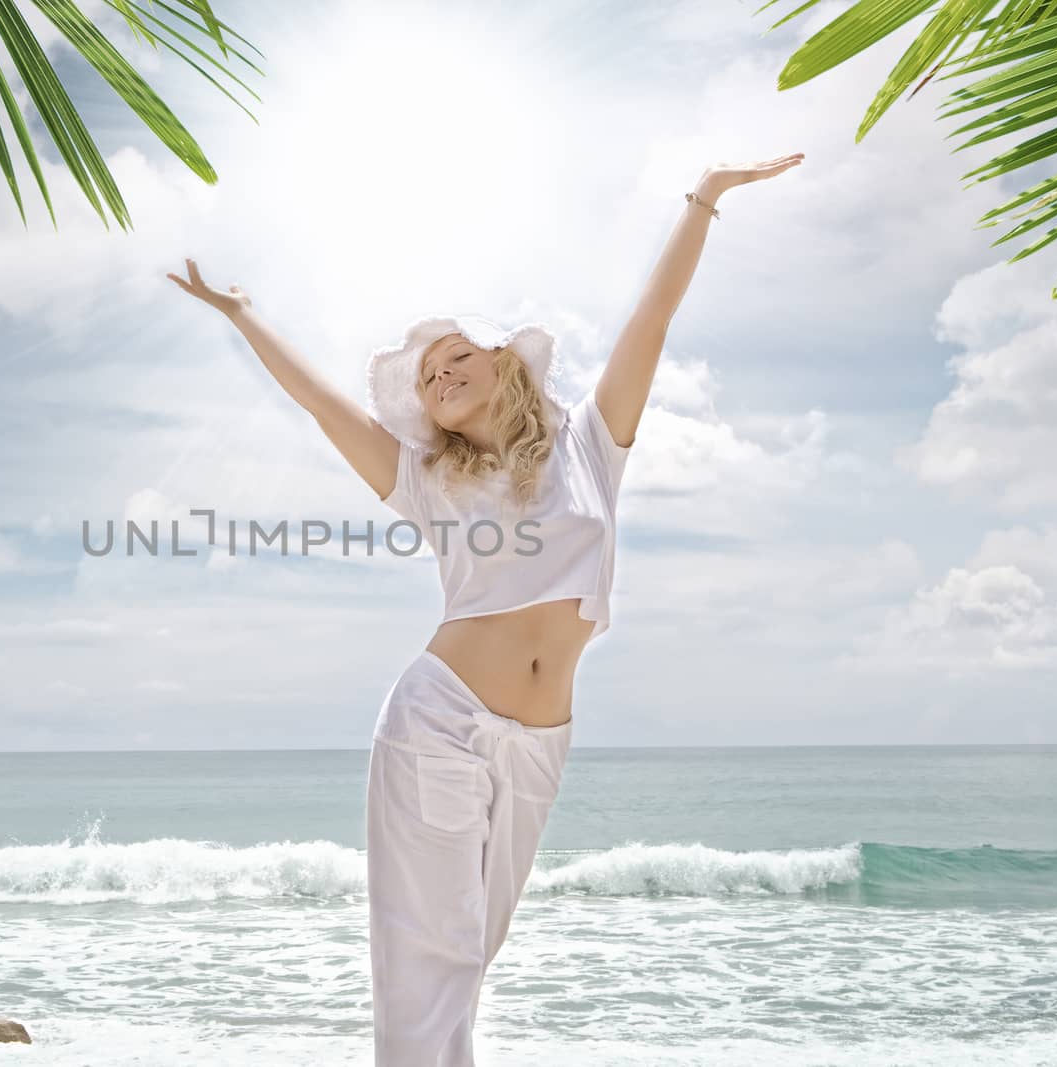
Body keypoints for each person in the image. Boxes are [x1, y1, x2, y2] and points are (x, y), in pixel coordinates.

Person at [168, 155, 803, 1065]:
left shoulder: (591, 444)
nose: (438, 376)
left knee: (469, 958)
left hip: (541, 740)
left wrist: (704, 199)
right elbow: (319, 403)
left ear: (503, 362)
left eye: (455, 355)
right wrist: (243, 316)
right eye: (425, 378)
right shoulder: (424, 480)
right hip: (442, 720)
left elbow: (650, 321)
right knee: (431, 963)